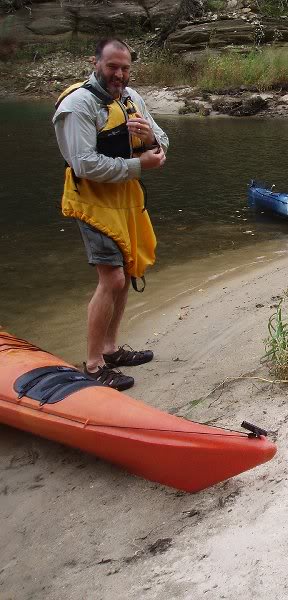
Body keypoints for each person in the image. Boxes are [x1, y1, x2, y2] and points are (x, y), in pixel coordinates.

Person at [52, 38, 169, 391]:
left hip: (125, 200)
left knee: (127, 272)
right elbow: (84, 164)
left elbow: (163, 142)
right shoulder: (78, 105)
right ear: (95, 63)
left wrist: (151, 142)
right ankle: (92, 365)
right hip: (92, 202)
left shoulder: (132, 98)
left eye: (125, 68)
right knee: (113, 279)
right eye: (112, 66)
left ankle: (110, 350)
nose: (119, 74)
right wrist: (138, 164)